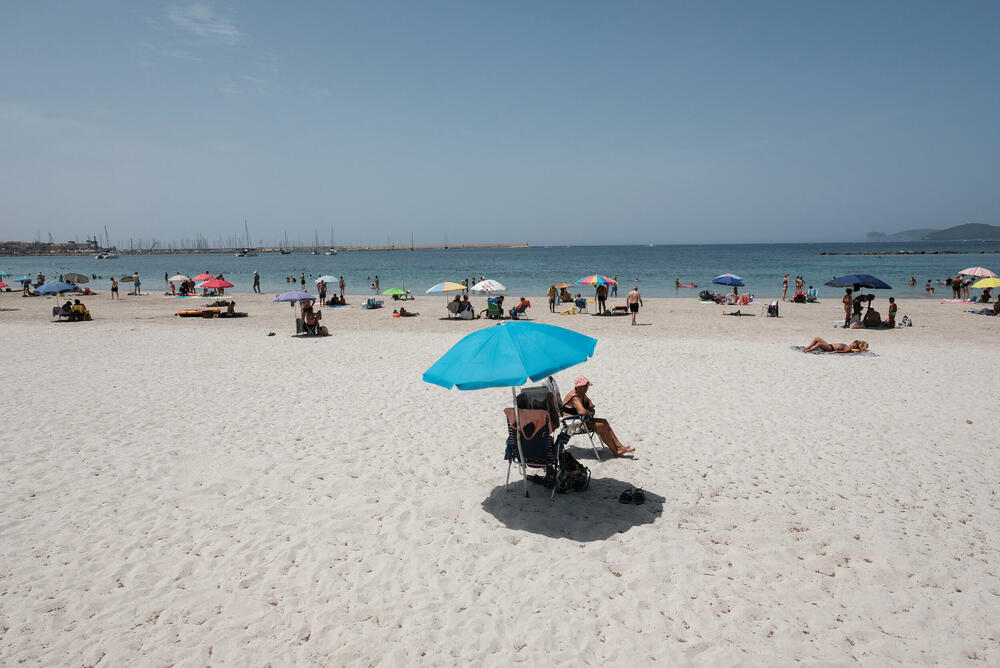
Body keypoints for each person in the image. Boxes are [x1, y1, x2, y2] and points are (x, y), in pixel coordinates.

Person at [561, 376, 634, 456]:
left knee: (604, 422)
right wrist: (590, 412)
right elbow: (582, 411)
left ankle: (619, 447)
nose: (586, 389)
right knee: (601, 425)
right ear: (578, 387)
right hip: (573, 423)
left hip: (579, 420)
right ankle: (616, 451)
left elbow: (589, 402)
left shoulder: (580, 393)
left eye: (586, 387)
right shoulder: (575, 396)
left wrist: (590, 407)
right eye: (584, 387)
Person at [803, 338, 868, 353]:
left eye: (853, 344)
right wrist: (857, 342)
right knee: (817, 338)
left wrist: (836, 351)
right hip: (829, 345)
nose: (852, 344)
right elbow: (856, 341)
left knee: (819, 344)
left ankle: (809, 350)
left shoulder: (848, 348)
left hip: (830, 348)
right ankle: (808, 347)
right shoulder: (848, 346)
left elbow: (843, 351)